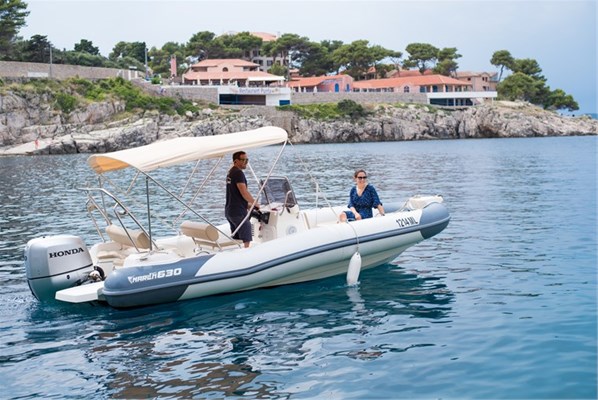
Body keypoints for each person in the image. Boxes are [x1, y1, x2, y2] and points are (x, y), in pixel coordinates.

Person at [225, 151, 259, 248]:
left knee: (237, 236)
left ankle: (238, 253)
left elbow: (235, 194)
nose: (246, 162)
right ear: (236, 161)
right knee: (246, 237)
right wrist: (255, 203)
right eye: (243, 160)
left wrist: (248, 205)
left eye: (247, 160)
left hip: (229, 211)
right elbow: (244, 192)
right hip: (238, 212)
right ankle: (246, 255)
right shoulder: (238, 173)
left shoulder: (230, 173)